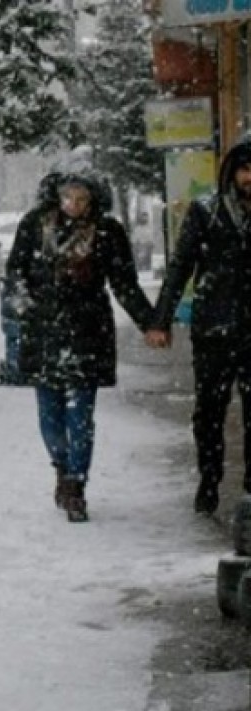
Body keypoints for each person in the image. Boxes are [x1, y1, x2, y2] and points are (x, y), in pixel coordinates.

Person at [5, 160, 159, 522]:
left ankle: (76, 483)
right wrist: (26, 308)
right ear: (55, 196)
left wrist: (150, 322)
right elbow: (15, 274)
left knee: (80, 413)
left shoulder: (107, 232)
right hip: (43, 331)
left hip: (87, 331)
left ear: (93, 200)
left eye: (81, 197)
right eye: (67, 196)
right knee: (49, 413)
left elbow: (124, 284)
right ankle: (61, 466)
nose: (73, 203)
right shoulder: (34, 225)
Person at [148, 137, 251, 516]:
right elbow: (180, 268)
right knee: (210, 410)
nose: (249, 178)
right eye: (244, 169)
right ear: (231, 173)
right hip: (215, 328)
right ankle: (209, 478)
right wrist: (161, 320)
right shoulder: (206, 212)